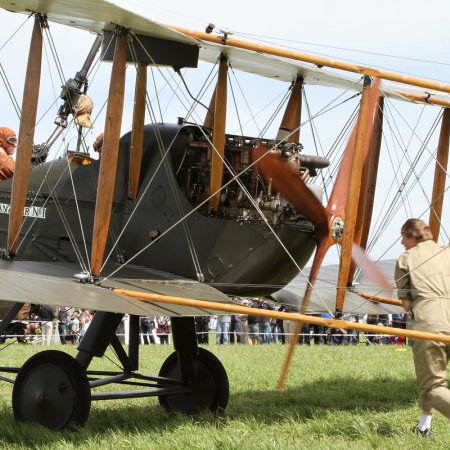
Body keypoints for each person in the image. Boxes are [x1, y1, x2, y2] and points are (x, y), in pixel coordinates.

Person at [395, 218, 450, 437]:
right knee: (432, 379)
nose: (401, 242)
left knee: (432, 386)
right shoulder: (445, 251)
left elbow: (407, 305)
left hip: (429, 324)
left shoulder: (406, 258)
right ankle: (423, 425)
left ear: (412, 236)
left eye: (403, 236)